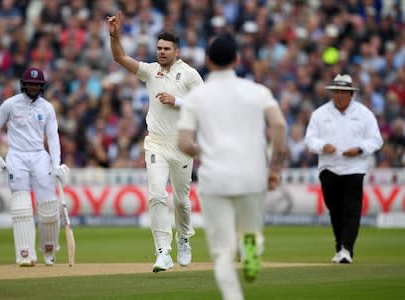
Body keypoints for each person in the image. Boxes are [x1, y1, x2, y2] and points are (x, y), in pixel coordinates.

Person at [177, 33, 287, 300]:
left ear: (207, 61)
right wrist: (274, 169)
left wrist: (200, 150)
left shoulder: (196, 97)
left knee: (222, 251)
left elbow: (183, 142)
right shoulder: (257, 91)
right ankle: (253, 249)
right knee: (251, 232)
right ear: (237, 59)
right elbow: (280, 126)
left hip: (216, 178)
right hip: (252, 176)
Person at [108, 11, 204, 272]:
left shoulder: (191, 75)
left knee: (182, 201)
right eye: (159, 48)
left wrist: (178, 102)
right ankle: (163, 252)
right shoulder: (150, 71)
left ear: (177, 50)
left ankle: (184, 238)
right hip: (156, 143)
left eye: (166, 48)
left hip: (183, 144)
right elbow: (119, 57)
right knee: (157, 196)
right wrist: (114, 36)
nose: (161, 52)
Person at [0, 67, 70, 267]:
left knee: (48, 206)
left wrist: (56, 164)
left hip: (39, 156)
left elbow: (53, 136)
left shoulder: (47, 107)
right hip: (17, 156)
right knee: (21, 206)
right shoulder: (10, 104)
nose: (32, 87)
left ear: (42, 87)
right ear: (23, 84)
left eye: (36, 85)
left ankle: (49, 250)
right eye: (29, 84)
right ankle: (25, 254)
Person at [305, 74, 383, 264]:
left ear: (350, 93)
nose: (339, 96)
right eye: (336, 92)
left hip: (354, 167)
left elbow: (376, 140)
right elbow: (310, 140)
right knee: (335, 209)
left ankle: (347, 249)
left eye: (343, 92)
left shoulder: (364, 113)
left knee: (352, 209)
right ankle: (340, 246)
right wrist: (323, 146)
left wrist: (359, 149)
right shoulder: (320, 114)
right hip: (329, 167)